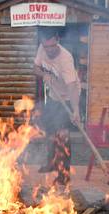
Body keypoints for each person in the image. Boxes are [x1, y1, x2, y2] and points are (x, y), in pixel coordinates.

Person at [33, 28, 81, 187]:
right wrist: (44, 75)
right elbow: (36, 68)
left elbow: (72, 87)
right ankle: (51, 163)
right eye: (46, 47)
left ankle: (64, 174)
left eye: (52, 46)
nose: (49, 50)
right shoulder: (42, 48)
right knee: (50, 131)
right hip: (54, 96)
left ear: (57, 40)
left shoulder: (66, 59)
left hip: (68, 98)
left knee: (63, 137)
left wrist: (75, 110)